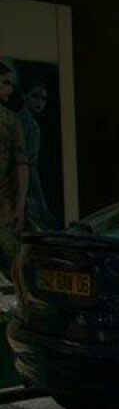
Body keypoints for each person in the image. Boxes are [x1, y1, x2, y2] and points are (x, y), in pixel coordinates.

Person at [0, 60, 30, 282]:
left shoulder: (10, 119)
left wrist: (19, 205)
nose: (9, 90)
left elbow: (21, 164)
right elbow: (21, 164)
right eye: (5, 83)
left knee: (13, 258)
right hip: (6, 202)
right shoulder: (11, 119)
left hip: (5, 202)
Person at [19, 79, 55, 231]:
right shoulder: (31, 126)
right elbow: (30, 166)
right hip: (22, 192)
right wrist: (42, 204)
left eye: (43, 98)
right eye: (35, 96)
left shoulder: (15, 119)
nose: (39, 102)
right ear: (24, 96)